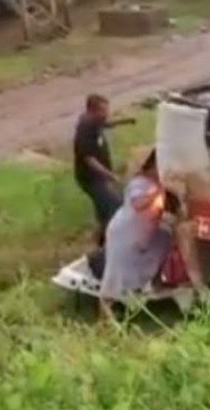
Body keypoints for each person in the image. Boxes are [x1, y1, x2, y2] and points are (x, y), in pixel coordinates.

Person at [98, 150, 171, 321]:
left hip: (144, 235)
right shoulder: (140, 183)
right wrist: (159, 191)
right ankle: (104, 317)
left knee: (163, 242)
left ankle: (146, 288)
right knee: (114, 277)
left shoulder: (156, 185)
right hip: (124, 234)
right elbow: (138, 204)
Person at [73, 94, 134, 244]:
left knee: (103, 210)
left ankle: (100, 241)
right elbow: (89, 159)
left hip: (100, 177)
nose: (106, 114)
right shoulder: (85, 129)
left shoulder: (95, 121)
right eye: (103, 111)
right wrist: (110, 175)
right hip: (91, 178)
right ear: (93, 111)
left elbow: (106, 124)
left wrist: (125, 121)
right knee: (115, 205)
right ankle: (112, 241)